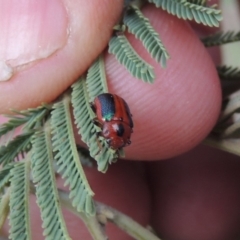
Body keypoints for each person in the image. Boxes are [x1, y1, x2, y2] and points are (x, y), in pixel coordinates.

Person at [1, 1, 240, 239]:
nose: (110, 140)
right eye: (112, 138)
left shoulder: (116, 125)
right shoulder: (113, 122)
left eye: (111, 139)